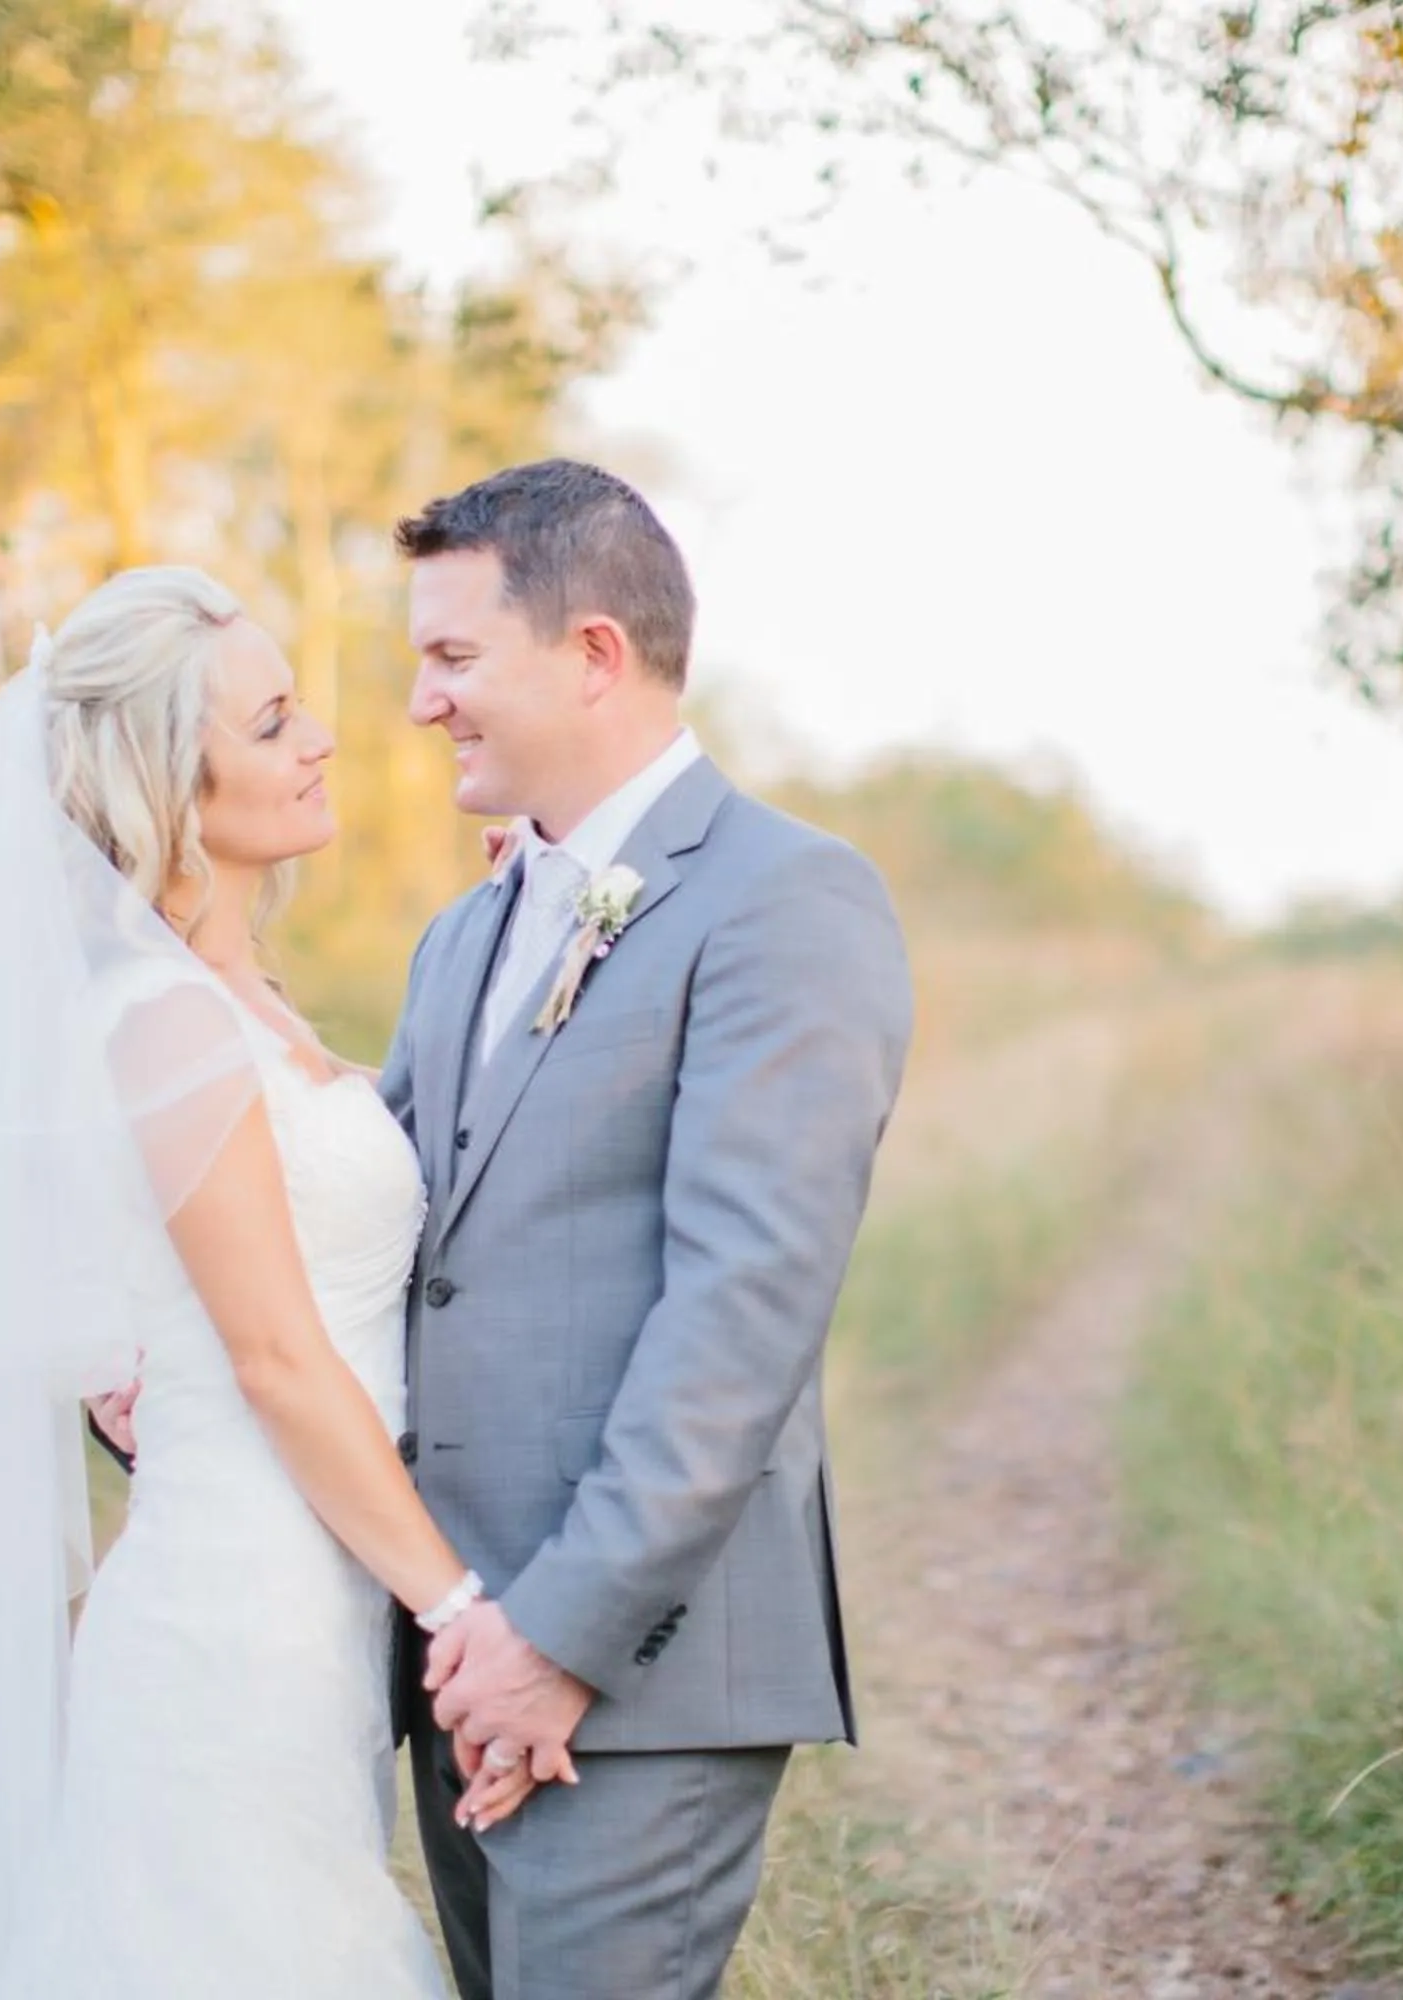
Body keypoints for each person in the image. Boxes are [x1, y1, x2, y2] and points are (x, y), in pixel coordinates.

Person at [0, 566, 520, 2000]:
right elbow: (276, 1358)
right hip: (234, 1620)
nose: (322, 737)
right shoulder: (166, 1027)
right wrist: (464, 1611)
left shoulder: (239, 1006)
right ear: (169, 781)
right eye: (272, 724)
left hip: (310, 1608)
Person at [376, 459, 915, 1998]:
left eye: (454, 658)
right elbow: (404, 1233)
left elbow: (740, 1315)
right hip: (458, 1648)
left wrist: (560, 1634)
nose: (424, 703)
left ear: (595, 653)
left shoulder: (785, 900)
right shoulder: (467, 926)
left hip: (638, 1664)